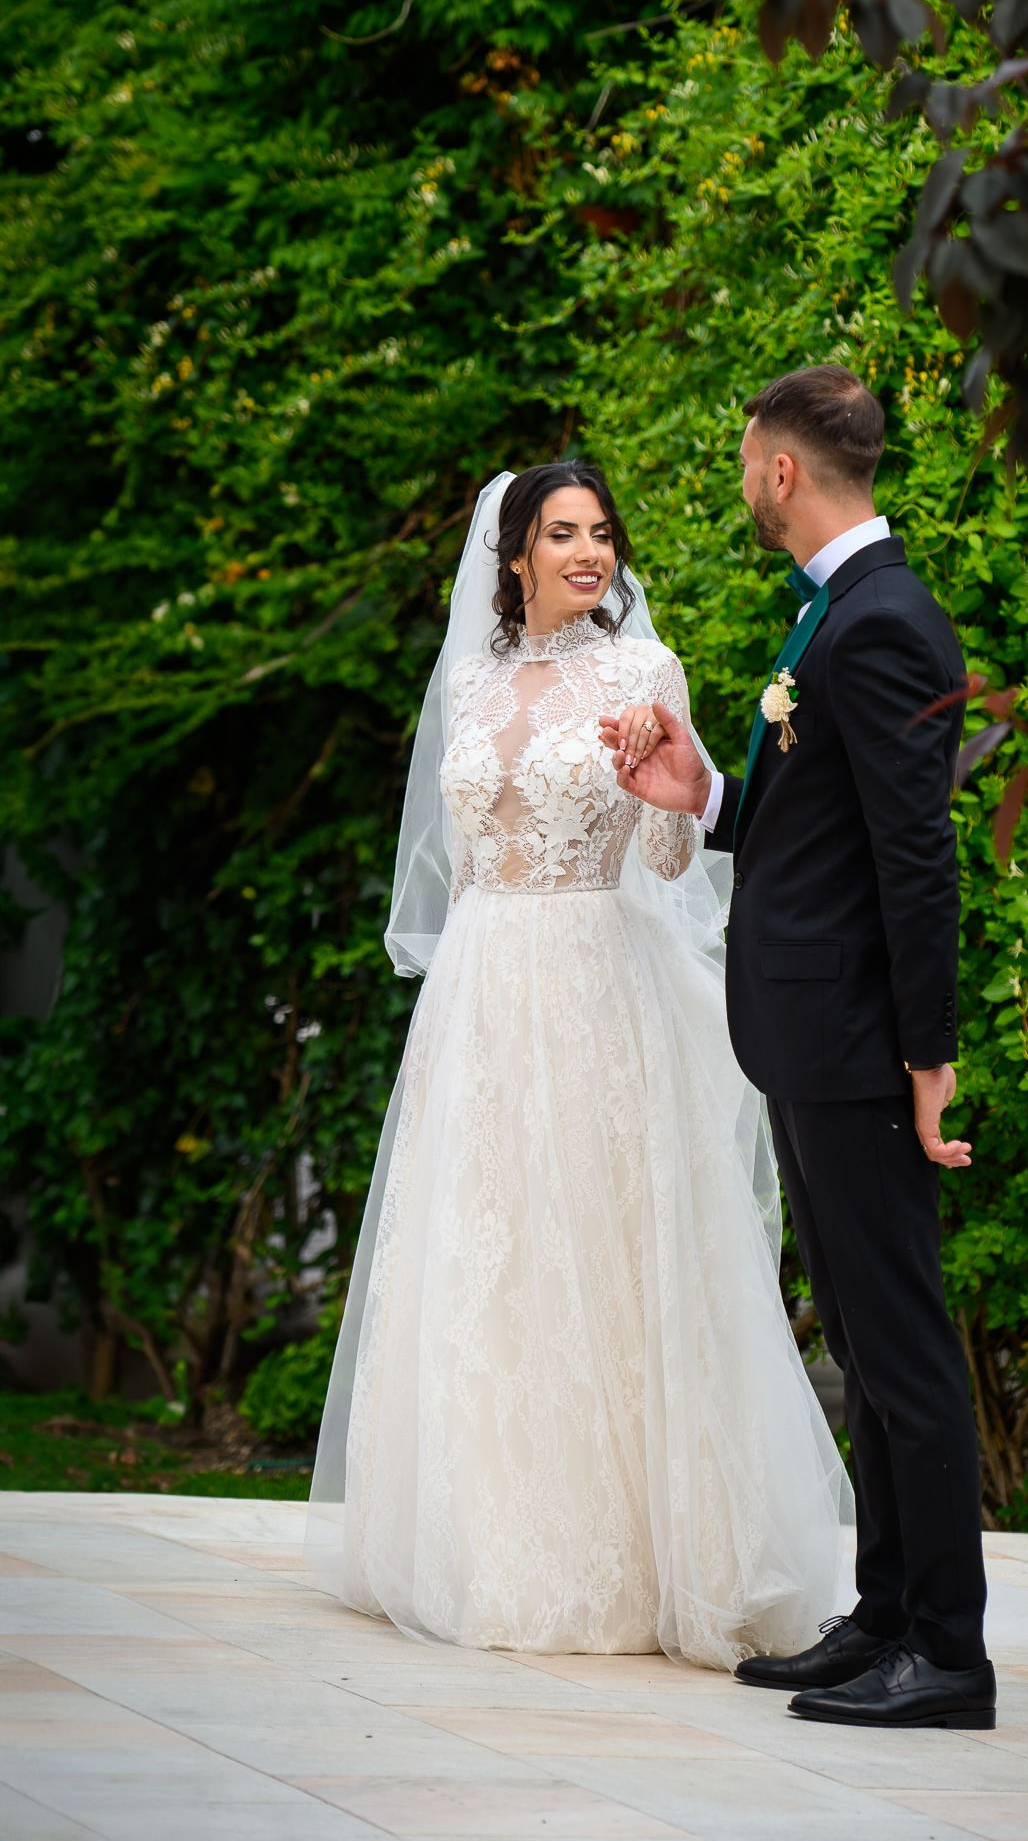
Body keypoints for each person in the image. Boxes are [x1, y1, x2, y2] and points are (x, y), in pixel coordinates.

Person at [307, 460, 849, 1664]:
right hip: (481, 987)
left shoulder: (643, 671)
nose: (587, 555)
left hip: (596, 974)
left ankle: (635, 1556)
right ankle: (474, 1538)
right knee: (484, 1257)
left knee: (598, 1253)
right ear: (513, 556)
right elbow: (452, 854)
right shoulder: (467, 671)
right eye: (561, 536)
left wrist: (662, 779)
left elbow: (672, 857)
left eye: (600, 534)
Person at [606, 364, 994, 1732]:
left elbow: (917, 860)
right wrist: (703, 792)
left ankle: (947, 1652)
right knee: (871, 1350)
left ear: (781, 468)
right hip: (810, 1033)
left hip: (854, 1043)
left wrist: (926, 1050)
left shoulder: (880, 623)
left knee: (904, 1351)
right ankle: (884, 1614)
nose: (741, 476)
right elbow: (825, 832)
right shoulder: (839, 616)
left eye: (744, 457)